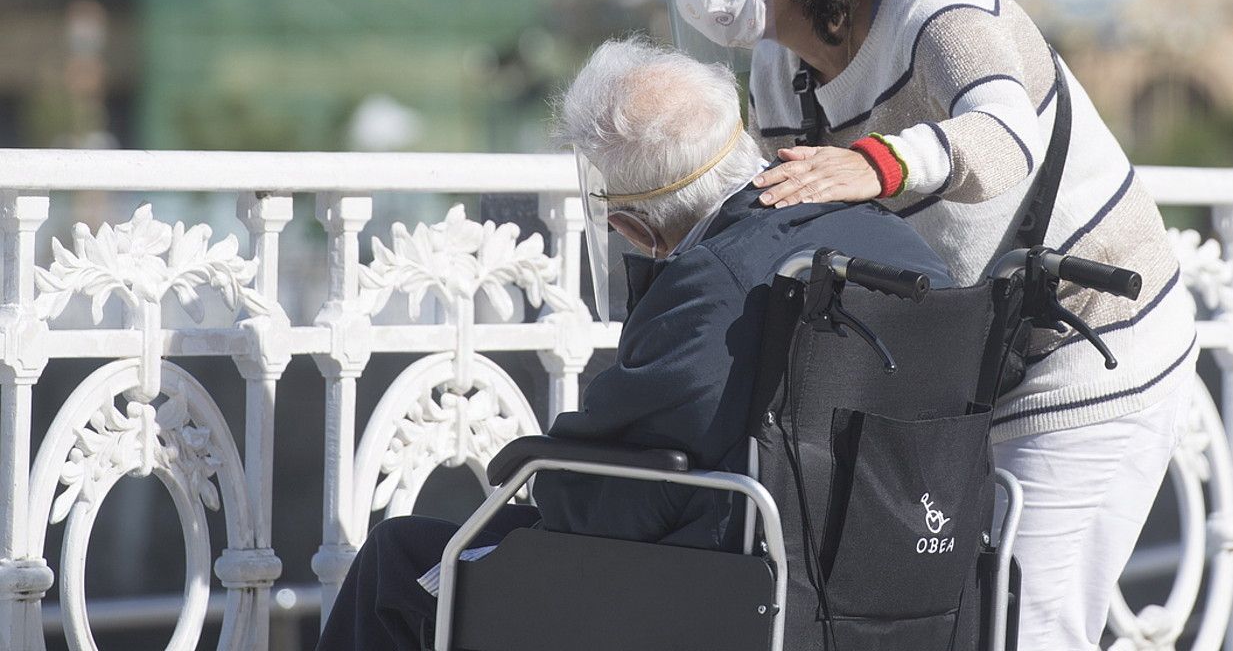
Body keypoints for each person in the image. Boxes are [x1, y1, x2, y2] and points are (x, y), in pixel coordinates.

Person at [660, 0, 1198, 651]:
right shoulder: (777, 69)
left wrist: (873, 165)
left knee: (1029, 621)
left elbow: (1004, 137)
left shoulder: (934, 7)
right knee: (950, 621)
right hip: (963, 365)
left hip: (1096, 345)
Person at [314, 37, 951, 651]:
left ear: (628, 225)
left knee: (397, 563)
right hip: (906, 578)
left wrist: (544, 470)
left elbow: (610, 500)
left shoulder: (717, 279)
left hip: (729, 594)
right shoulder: (899, 246)